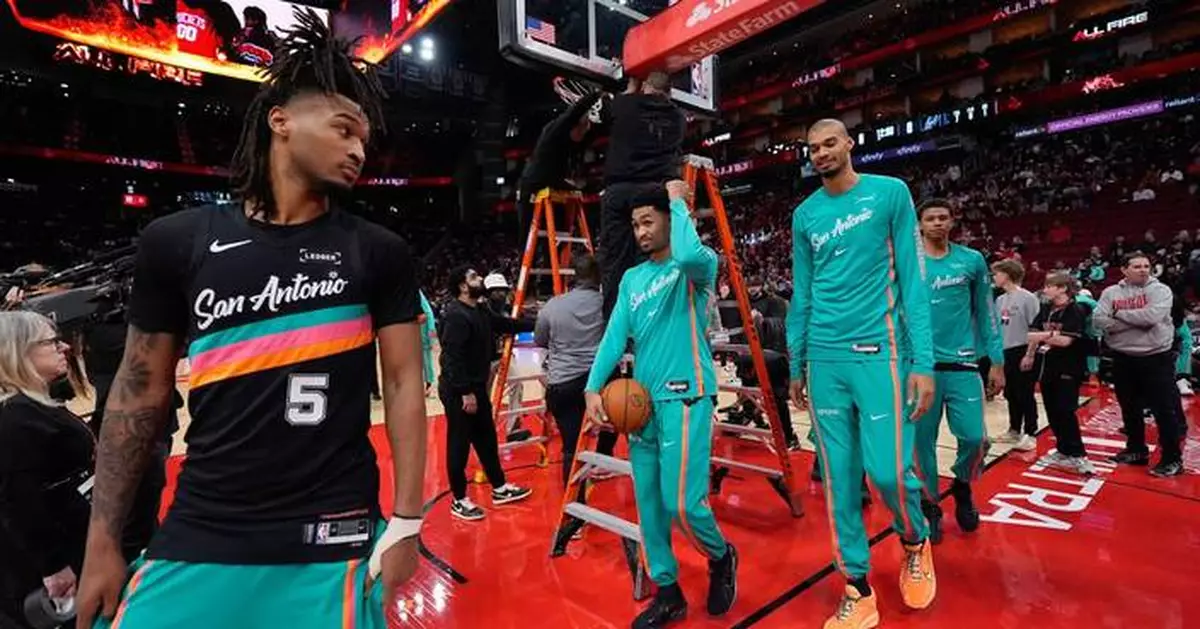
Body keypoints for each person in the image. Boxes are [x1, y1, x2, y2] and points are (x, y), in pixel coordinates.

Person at [75, 13, 430, 628]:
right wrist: (101, 545)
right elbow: (137, 397)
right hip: (202, 525)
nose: (358, 150)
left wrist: (406, 520)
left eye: (365, 141)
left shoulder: (378, 250)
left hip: (333, 531)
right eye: (344, 129)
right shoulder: (175, 241)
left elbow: (402, 384)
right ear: (280, 121)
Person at [786, 119, 936, 628]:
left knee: (889, 471)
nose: (822, 152)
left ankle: (914, 539)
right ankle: (857, 586)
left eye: (830, 142)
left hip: (881, 352)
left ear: (850, 143)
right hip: (823, 359)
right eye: (813, 147)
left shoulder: (891, 194)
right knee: (840, 482)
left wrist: (923, 361)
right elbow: (802, 293)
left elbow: (914, 284)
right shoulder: (804, 215)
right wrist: (795, 360)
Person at [584, 181, 737, 628]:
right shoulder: (633, 279)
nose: (640, 232)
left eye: (648, 221)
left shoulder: (699, 267)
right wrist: (594, 388)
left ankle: (721, 555)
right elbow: (615, 337)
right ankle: (668, 592)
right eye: (635, 225)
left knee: (684, 505)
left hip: (687, 396)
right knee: (649, 506)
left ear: (672, 219)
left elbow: (689, 254)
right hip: (644, 405)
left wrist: (677, 200)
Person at [913, 200, 1004, 545]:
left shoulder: (971, 260)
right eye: (930, 218)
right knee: (921, 445)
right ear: (919, 225)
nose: (937, 223)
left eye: (942, 217)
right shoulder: (908, 263)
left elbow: (986, 310)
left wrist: (996, 359)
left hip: (963, 363)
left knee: (975, 438)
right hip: (919, 369)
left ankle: (963, 483)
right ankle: (929, 505)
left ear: (952, 221)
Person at [0, 312, 92, 626]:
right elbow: (18, 501)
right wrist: (53, 567)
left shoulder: (32, 407)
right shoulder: (14, 417)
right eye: (51, 342)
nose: (64, 346)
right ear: (19, 351)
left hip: (75, 544)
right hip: (56, 565)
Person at [438, 267, 534, 521]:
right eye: (473, 277)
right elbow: (451, 359)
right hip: (460, 390)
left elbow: (503, 324)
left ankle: (500, 488)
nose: (479, 279)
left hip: (477, 386)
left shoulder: (479, 310)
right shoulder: (456, 316)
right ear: (462, 286)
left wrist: (539, 323)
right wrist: (465, 392)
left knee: (486, 439)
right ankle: (459, 500)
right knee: (459, 443)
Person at [597, 72, 688, 319]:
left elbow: (605, 114)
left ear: (645, 86)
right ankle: (649, 323)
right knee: (650, 258)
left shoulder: (625, 104)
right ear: (669, 93)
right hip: (652, 193)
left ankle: (616, 328)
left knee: (615, 262)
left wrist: (630, 87)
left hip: (619, 189)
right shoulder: (679, 118)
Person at [1092, 253, 1185, 477]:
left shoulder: (1160, 290)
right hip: (1123, 357)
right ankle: (1136, 450)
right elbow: (1098, 320)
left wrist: (1118, 315)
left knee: (1163, 410)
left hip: (1156, 357)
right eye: (1137, 266)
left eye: (1146, 266)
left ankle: (1173, 459)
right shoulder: (1110, 292)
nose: (1143, 270)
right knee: (1129, 407)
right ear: (1124, 270)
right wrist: (1134, 322)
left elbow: (1151, 318)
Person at [534, 254, 615, 485]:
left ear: (574, 276)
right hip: (599, 380)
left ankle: (572, 510)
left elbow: (540, 339)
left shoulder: (553, 305)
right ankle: (603, 458)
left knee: (571, 447)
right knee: (618, 413)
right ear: (598, 276)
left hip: (563, 382)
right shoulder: (606, 304)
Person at [1022, 273, 1095, 475]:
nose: (1045, 289)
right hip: (1047, 366)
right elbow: (1030, 335)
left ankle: (1078, 455)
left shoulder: (1076, 310)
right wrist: (1029, 355)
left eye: (1049, 286)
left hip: (1069, 368)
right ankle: (1063, 451)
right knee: (1052, 411)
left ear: (1062, 288)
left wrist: (1044, 336)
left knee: (1065, 410)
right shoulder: (1045, 308)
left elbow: (1066, 341)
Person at [992, 259, 1041, 452]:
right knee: (1010, 393)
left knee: (1025, 393)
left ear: (1007, 274)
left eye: (997, 273)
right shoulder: (1000, 300)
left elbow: (1036, 328)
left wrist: (1030, 354)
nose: (994, 277)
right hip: (1006, 351)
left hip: (1023, 349)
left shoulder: (1028, 298)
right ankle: (1014, 429)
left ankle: (1030, 432)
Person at [419, 290, 437, 394]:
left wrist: (431, 331)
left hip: (424, 334)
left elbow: (428, 313)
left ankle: (428, 383)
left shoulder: (417, 293)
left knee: (426, 359)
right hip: (414, 333)